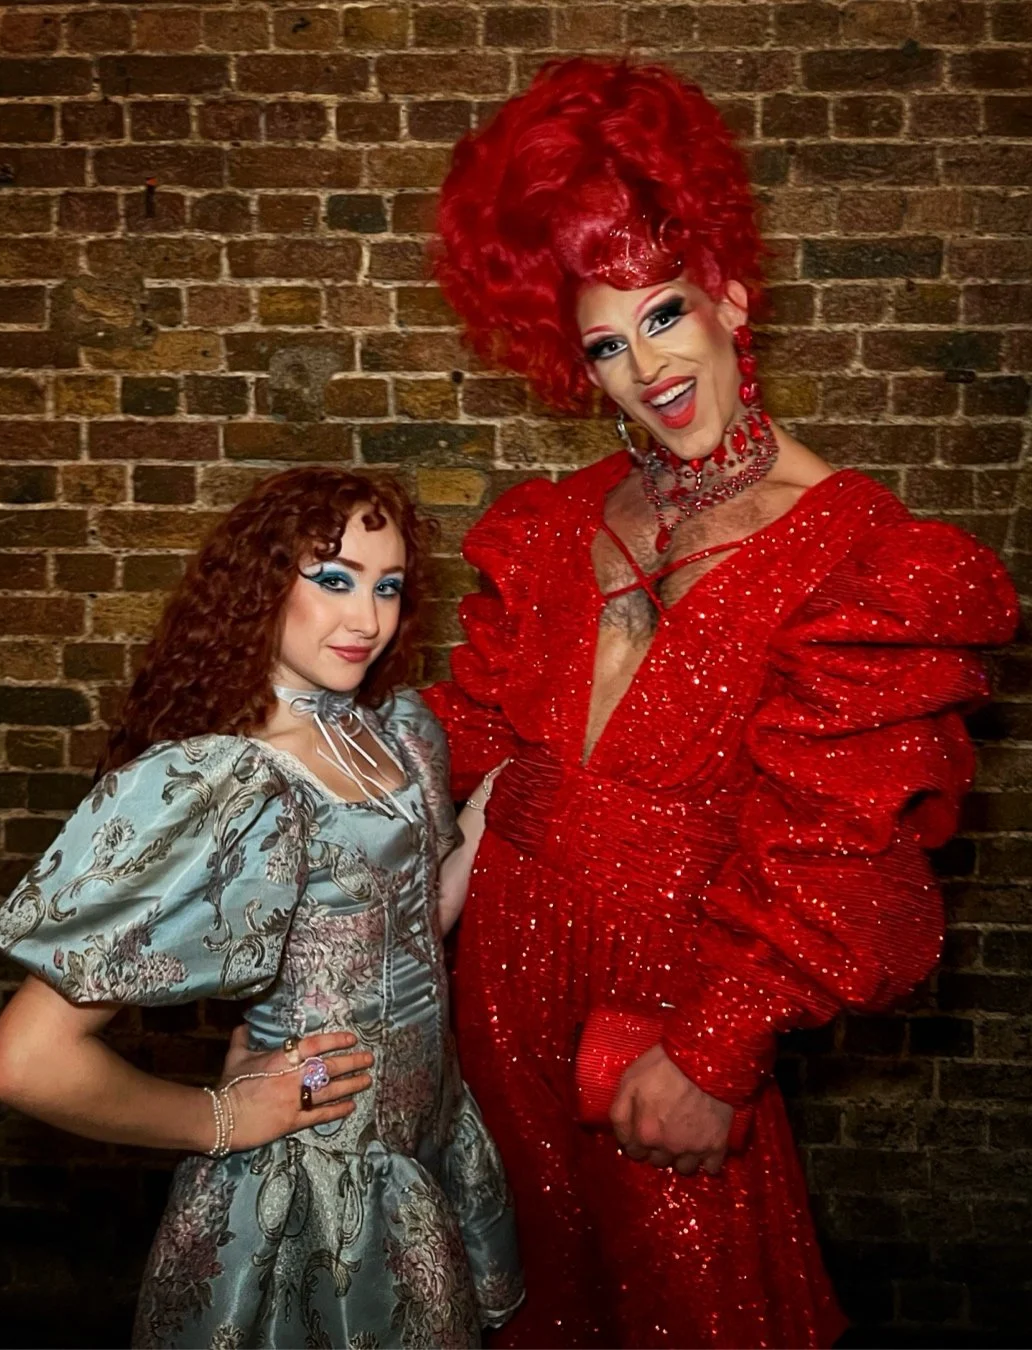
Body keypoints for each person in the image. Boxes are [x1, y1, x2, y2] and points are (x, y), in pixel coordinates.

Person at [423, 58, 1018, 1349]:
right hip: (494, 998)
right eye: (604, 343)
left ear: (731, 297)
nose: (644, 365)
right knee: (523, 1305)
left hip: (661, 1017)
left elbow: (841, 841)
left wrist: (715, 1049)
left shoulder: (862, 554)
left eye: (662, 314)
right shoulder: (554, 524)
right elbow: (465, 737)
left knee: (705, 1311)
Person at [0, 467, 523, 1350]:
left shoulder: (393, 731)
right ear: (263, 585)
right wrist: (222, 1116)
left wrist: (488, 809)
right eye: (335, 579)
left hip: (424, 1133)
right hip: (311, 1169)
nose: (367, 619)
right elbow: (23, 1063)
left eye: (387, 587)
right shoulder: (230, 782)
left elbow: (414, 926)